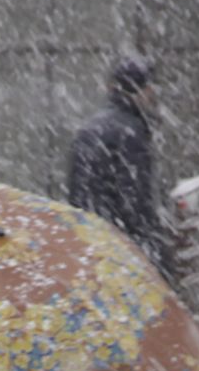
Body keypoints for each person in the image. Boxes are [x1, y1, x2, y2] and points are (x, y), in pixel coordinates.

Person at [67, 55, 171, 279]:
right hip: (120, 247)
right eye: (149, 86)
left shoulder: (89, 128)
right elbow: (135, 198)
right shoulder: (131, 132)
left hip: (88, 240)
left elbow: (77, 191)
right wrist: (152, 246)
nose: (153, 93)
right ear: (140, 90)